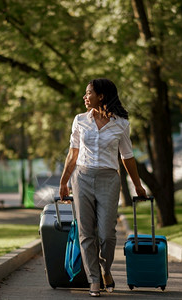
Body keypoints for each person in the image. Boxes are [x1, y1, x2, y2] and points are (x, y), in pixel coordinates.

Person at [59, 78, 147, 297]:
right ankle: (94, 280)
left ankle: (105, 269)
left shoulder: (121, 124)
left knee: (107, 234)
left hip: (109, 179)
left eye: (89, 93)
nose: (85, 97)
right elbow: (73, 153)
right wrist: (64, 182)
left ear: (101, 96)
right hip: (82, 178)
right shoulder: (80, 120)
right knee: (86, 232)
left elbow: (128, 157)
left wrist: (137, 185)